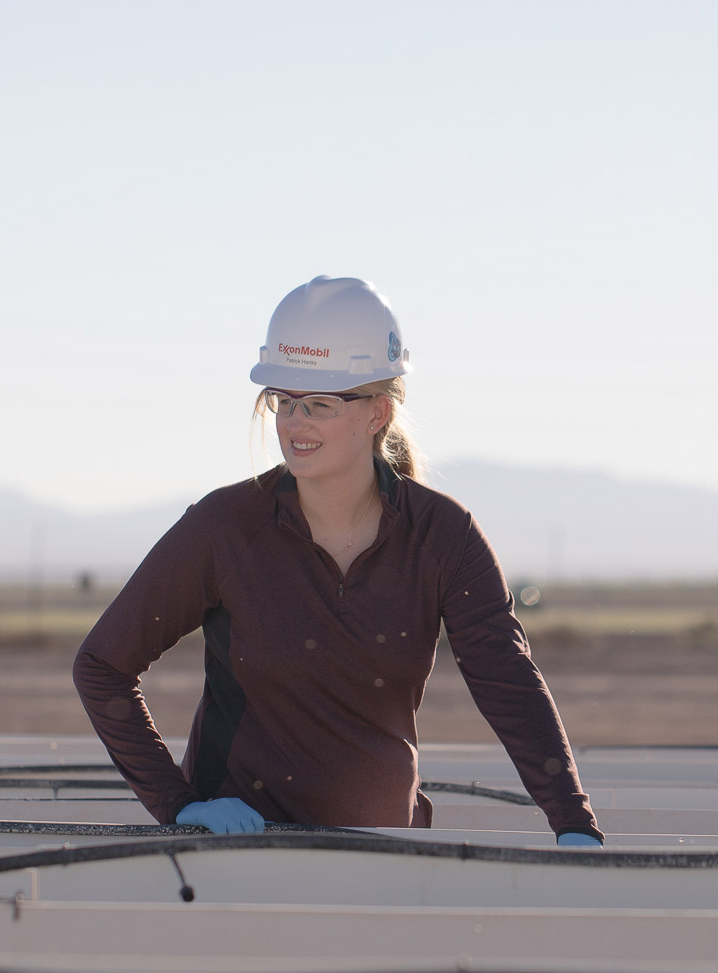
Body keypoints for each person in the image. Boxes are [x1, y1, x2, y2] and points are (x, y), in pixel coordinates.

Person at [73, 276, 603, 847]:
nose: (294, 423)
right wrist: (178, 804)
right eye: (283, 401)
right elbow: (102, 665)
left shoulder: (444, 537)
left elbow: (510, 685)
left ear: (377, 413)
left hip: (386, 864)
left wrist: (574, 824)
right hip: (235, 862)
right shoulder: (226, 528)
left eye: (320, 405)